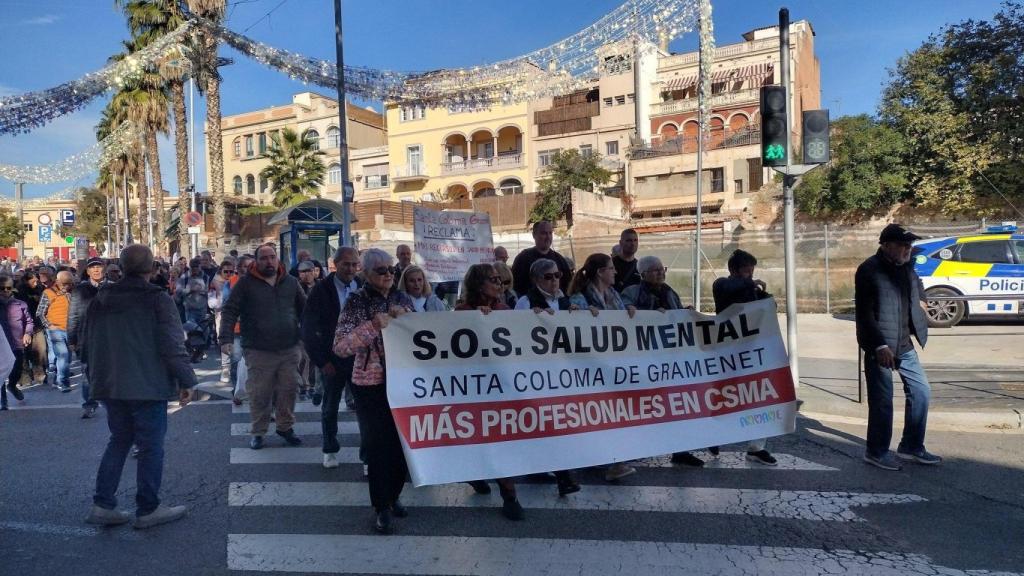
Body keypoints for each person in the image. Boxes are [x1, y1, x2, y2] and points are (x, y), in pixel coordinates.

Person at [82, 244, 196, 529]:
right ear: (152, 268)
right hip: (147, 383)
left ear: (120, 267)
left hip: (109, 382)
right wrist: (187, 379)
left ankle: (102, 503)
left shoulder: (101, 298)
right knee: (150, 446)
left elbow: (85, 342)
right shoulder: (156, 298)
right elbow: (172, 343)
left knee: (119, 440)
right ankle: (148, 508)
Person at [333, 248, 413, 535]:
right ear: (366, 274)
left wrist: (406, 319)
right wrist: (373, 326)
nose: (388, 275)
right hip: (370, 384)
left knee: (403, 446)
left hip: (404, 380)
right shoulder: (356, 302)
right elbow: (341, 346)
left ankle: (393, 495)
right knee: (379, 447)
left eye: (391, 270)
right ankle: (381, 506)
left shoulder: (402, 297)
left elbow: (423, 332)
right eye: (381, 271)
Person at [856, 224, 940, 471]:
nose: (908, 249)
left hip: (904, 343)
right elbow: (864, 313)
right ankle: (876, 451)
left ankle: (911, 446)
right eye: (903, 245)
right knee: (882, 401)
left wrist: (923, 302)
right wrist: (879, 345)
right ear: (886, 245)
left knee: (921, 391)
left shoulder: (907, 267)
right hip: (880, 345)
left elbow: (918, 285)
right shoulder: (869, 270)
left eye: (910, 245)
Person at [219, 244, 306, 451]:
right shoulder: (245, 284)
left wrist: (310, 337)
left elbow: (306, 310)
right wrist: (226, 338)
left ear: (278, 259)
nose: (269, 261)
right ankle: (258, 431)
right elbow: (230, 310)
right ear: (256, 261)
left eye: (272, 257)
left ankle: (285, 427)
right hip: (258, 349)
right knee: (260, 393)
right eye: (264, 258)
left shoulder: (291, 282)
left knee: (289, 389)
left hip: (289, 347)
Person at [455, 263, 524, 520]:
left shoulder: (505, 310)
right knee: (479, 439)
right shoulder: (461, 312)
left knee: (501, 440)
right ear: (478, 285)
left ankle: (509, 495)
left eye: (501, 280)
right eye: (493, 280)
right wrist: (476, 321)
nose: (499, 284)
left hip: (502, 389)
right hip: (475, 390)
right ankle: (476, 475)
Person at [621, 256, 705, 466]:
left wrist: (685, 312)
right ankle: (632, 448)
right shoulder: (631, 292)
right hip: (642, 361)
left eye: (662, 268)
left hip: (669, 361)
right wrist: (648, 315)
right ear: (644, 274)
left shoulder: (669, 292)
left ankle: (681, 450)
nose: (661, 273)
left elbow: (676, 316)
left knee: (676, 405)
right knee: (642, 407)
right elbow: (621, 317)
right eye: (655, 270)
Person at [512, 258, 583, 496]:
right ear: (536, 280)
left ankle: (555, 471)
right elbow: (517, 334)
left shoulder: (564, 299)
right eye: (549, 277)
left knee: (558, 424)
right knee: (549, 424)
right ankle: (563, 476)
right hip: (537, 373)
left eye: (557, 275)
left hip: (562, 373)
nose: (555, 280)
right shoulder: (525, 303)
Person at [566, 254, 639, 482]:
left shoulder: (614, 295)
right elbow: (572, 322)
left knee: (612, 411)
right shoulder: (580, 298)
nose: (615, 272)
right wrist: (583, 315)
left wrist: (629, 310)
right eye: (611, 268)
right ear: (600, 272)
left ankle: (608, 459)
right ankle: (612, 461)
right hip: (591, 368)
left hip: (612, 366)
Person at [301, 247, 366, 470]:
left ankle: (367, 456)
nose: (350, 269)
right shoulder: (321, 290)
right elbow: (309, 329)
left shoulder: (364, 286)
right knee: (330, 408)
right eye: (346, 264)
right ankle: (330, 449)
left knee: (365, 409)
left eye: (354, 264)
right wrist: (321, 361)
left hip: (361, 359)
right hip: (332, 360)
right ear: (335, 265)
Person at [711, 249, 777, 466]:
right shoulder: (722, 284)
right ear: (733, 270)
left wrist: (764, 297)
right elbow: (729, 288)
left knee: (759, 397)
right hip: (729, 352)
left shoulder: (752, 289)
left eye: (752, 271)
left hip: (753, 353)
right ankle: (714, 436)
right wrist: (750, 284)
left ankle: (757, 448)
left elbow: (769, 307)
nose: (750, 275)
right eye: (746, 271)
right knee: (725, 397)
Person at [67, 257, 108, 418]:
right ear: (88, 271)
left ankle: (114, 402)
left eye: (99, 267)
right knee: (88, 372)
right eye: (93, 267)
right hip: (87, 338)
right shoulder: (80, 290)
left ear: (104, 269)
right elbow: (73, 315)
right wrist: (71, 339)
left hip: (110, 338)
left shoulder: (113, 288)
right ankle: (89, 403)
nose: (96, 270)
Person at [511, 221, 572, 296]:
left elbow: (568, 286)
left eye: (550, 233)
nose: (548, 237)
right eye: (544, 233)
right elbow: (516, 286)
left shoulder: (559, 259)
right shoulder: (523, 258)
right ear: (534, 235)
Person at [38, 270, 74, 392]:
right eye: (64, 283)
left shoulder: (73, 292)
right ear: (57, 281)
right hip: (55, 329)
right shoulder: (48, 292)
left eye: (69, 283)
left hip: (69, 329)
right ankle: (63, 382)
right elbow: (40, 313)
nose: (67, 286)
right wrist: (49, 326)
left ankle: (57, 380)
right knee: (62, 355)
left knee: (67, 358)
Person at [0, 273, 33, 404]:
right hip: (2, 344)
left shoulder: (21, 304)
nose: (5, 291)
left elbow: (29, 321)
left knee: (17, 368)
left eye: (8, 288)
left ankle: (12, 385)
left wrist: (27, 333)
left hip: (16, 342)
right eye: (2, 288)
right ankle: (3, 401)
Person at [15, 271, 46, 385]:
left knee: (39, 351)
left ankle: (40, 375)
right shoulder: (19, 292)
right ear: (27, 280)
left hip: (37, 324)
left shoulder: (40, 289)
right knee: (23, 353)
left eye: (38, 280)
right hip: (20, 326)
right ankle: (25, 377)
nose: (37, 282)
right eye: (34, 280)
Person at [613, 228, 642, 293]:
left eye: (635, 240)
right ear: (620, 243)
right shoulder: (611, 265)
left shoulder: (640, 266)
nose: (633, 244)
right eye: (628, 240)